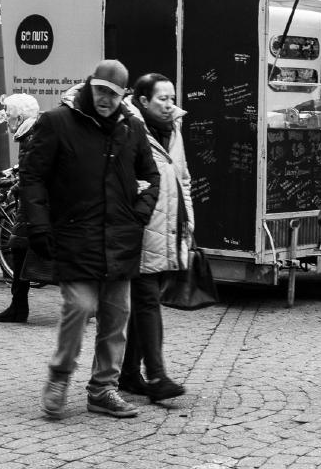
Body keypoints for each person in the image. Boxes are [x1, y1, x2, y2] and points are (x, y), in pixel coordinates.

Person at [22, 59, 160, 420]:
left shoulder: (131, 129)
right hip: (75, 237)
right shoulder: (57, 123)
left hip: (120, 239)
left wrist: (139, 214)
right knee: (80, 307)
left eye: (113, 94)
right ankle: (60, 374)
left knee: (117, 317)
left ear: (123, 96)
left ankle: (102, 389)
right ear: (90, 85)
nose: (105, 99)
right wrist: (39, 224)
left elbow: (151, 176)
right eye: (100, 90)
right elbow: (33, 177)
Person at [119, 73, 192, 404]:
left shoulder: (174, 129)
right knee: (147, 301)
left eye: (172, 97)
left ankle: (129, 375)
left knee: (143, 303)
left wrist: (189, 221)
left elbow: (184, 179)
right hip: (141, 229)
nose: (170, 104)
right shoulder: (128, 129)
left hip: (169, 228)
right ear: (143, 100)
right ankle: (158, 376)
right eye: (162, 98)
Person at [0, 93, 41, 324]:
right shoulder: (31, 134)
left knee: (18, 249)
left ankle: (18, 307)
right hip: (31, 206)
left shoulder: (30, 137)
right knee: (19, 251)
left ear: (20, 117)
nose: (6, 120)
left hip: (31, 208)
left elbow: (33, 173)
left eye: (9, 115)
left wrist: (16, 188)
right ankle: (18, 305)